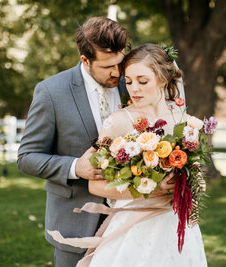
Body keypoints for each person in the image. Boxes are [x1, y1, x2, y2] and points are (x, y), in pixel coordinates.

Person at [17, 17, 131, 267]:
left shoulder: (132, 85)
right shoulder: (51, 92)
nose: (117, 72)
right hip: (75, 221)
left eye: (120, 63)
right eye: (107, 66)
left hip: (130, 219)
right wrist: (74, 167)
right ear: (85, 60)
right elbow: (26, 157)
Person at [86, 44, 207, 266]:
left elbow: (195, 170)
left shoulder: (183, 120)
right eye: (129, 81)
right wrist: (151, 189)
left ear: (162, 79)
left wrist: (193, 183)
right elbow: (94, 186)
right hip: (133, 227)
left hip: (175, 224)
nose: (134, 89)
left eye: (143, 81)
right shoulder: (118, 122)